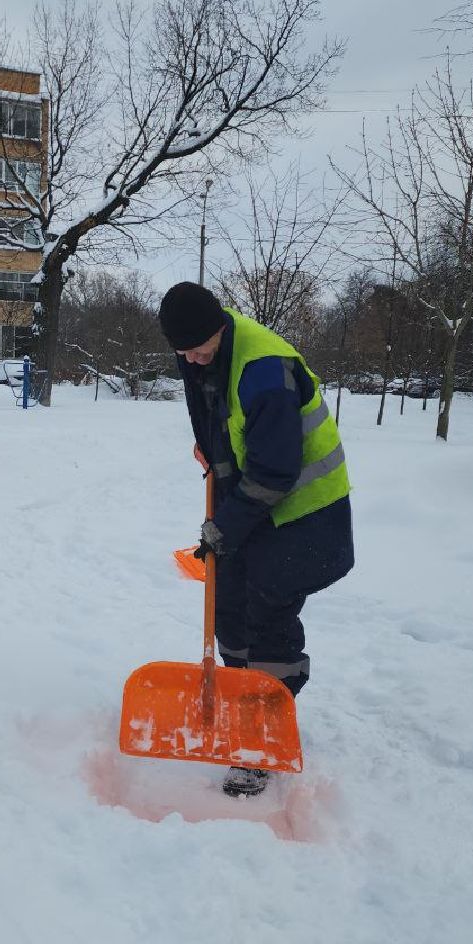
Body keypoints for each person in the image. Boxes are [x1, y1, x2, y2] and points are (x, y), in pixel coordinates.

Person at [158, 281, 354, 798]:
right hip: (252, 498)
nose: (192, 360)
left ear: (220, 327)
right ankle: (240, 699)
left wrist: (227, 523)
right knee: (228, 602)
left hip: (303, 509)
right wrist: (213, 453)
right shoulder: (199, 354)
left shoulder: (264, 370)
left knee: (268, 611)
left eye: (199, 348)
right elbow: (214, 413)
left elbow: (274, 471)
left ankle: (264, 729)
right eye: (183, 352)